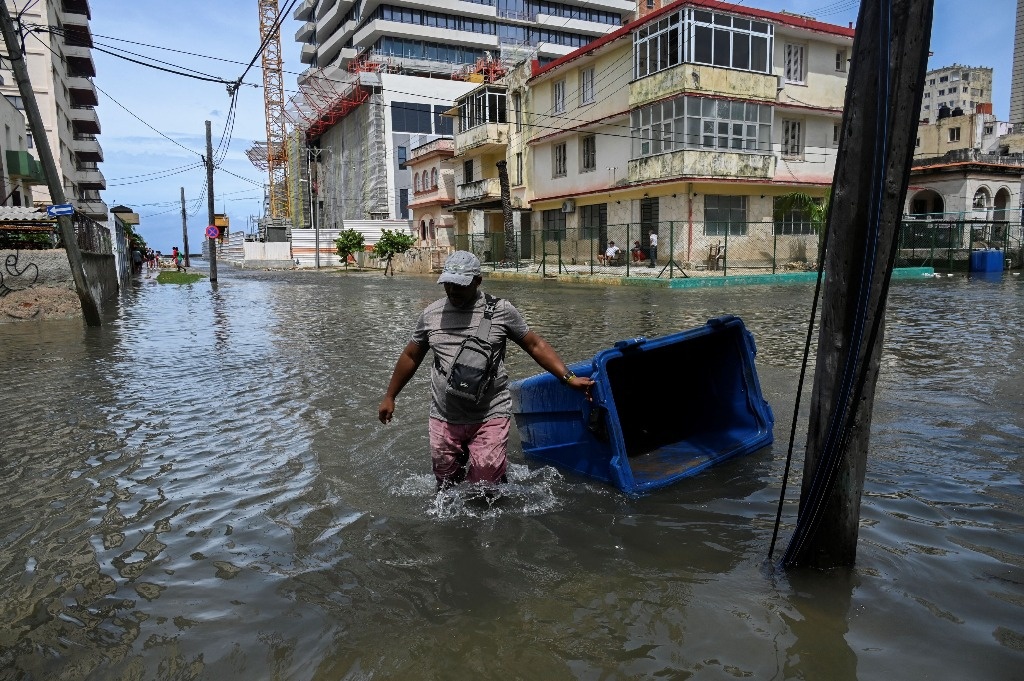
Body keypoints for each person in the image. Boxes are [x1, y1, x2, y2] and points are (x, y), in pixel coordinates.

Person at [378, 250, 594, 489]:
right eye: (448, 284)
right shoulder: (431, 315)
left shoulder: (501, 310)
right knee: (446, 485)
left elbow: (534, 345)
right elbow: (411, 355)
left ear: (478, 281)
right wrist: (390, 396)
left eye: (460, 285)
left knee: (486, 482)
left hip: (490, 412)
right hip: (445, 414)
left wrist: (568, 377)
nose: (452, 291)